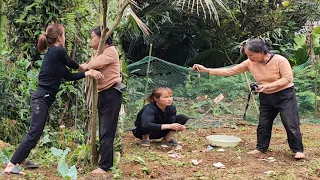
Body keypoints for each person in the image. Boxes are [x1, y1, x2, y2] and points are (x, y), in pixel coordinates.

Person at [3, 23, 104, 175]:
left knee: (36, 132)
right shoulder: (58, 51)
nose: (65, 38)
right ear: (59, 37)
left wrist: (87, 73)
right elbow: (75, 66)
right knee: (34, 133)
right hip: (41, 99)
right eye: (64, 35)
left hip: (41, 99)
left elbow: (68, 76)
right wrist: (87, 68)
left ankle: (22, 160)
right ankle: (11, 166)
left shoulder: (55, 56)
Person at [192, 39, 305, 159]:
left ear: (261, 52)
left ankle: (298, 150)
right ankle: (261, 148)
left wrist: (267, 85)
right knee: (263, 124)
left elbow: (287, 79)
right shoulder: (249, 63)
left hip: (285, 95)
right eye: (247, 55)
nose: (249, 57)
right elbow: (230, 71)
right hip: (266, 96)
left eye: (251, 55)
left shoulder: (280, 60)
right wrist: (206, 70)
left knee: (290, 122)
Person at [80, 26, 123, 174]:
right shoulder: (100, 53)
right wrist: (88, 69)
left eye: (93, 37)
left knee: (106, 130)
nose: (91, 40)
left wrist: (88, 67)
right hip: (104, 94)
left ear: (102, 38)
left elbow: (91, 65)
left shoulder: (110, 51)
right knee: (104, 128)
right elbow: (88, 68)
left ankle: (105, 166)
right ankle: (104, 162)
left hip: (111, 93)